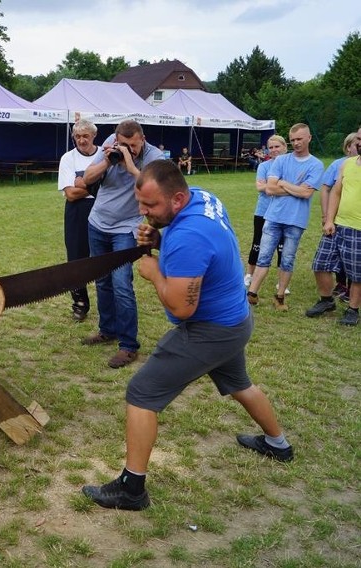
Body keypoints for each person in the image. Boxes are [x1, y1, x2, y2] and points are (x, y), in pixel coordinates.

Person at [82, 160, 294, 511]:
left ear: (178, 199)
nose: (143, 212)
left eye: (151, 206)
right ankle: (279, 444)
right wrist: (161, 237)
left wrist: (152, 272)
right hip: (235, 320)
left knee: (141, 392)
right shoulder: (203, 198)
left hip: (212, 329)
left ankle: (131, 489)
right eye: (141, 203)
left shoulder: (187, 237)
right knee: (240, 384)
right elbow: (198, 253)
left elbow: (182, 309)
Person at [80, 119, 165, 368]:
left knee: (121, 285)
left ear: (143, 139)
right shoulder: (110, 145)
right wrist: (107, 160)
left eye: (133, 145)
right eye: (123, 144)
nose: (128, 148)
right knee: (102, 280)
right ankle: (108, 329)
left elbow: (155, 190)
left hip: (126, 229)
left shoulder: (155, 157)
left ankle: (128, 346)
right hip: (97, 222)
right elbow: (86, 178)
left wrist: (129, 163)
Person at [247, 124, 324, 311]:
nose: (296, 143)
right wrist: (295, 188)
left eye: (300, 139)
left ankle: (280, 297)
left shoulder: (316, 164)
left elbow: (307, 194)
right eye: (293, 140)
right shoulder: (281, 161)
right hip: (273, 217)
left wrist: (283, 182)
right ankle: (252, 294)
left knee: (287, 259)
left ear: (309, 138)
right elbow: (270, 188)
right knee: (263, 256)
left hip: (296, 220)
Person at [310, 127, 361, 326]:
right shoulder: (347, 165)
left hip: (358, 229)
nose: (359, 142)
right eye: (358, 138)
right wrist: (330, 219)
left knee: (357, 274)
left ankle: (353, 310)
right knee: (320, 264)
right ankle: (326, 300)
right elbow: (336, 192)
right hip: (338, 225)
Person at [57, 119, 101, 322]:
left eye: (85, 136)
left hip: (102, 210)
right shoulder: (68, 158)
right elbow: (71, 194)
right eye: (77, 136)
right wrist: (97, 185)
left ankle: (108, 304)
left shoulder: (103, 156)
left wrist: (82, 183)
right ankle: (80, 304)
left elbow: (114, 188)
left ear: (94, 136)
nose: (81, 140)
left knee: (103, 259)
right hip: (77, 211)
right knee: (76, 258)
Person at [244, 135, 288, 288]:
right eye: (271, 147)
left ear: (284, 147)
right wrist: (284, 186)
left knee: (282, 247)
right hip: (262, 211)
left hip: (283, 212)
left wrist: (271, 186)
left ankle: (281, 281)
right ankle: (249, 274)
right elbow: (260, 188)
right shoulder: (264, 166)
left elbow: (268, 187)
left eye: (277, 146)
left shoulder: (290, 166)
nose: (274, 150)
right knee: (257, 243)